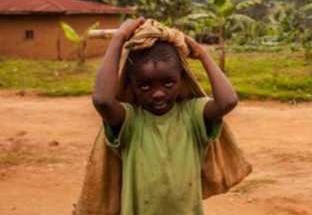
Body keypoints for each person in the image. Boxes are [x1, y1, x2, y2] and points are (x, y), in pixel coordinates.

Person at [77, 17, 251, 215]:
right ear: (131, 85)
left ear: (181, 78)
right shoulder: (130, 122)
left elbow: (227, 101)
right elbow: (103, 101)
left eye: (168, 83)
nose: (158, 93)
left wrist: (202, 54)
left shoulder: (191, 114)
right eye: (144, 85)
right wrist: (119, 38)